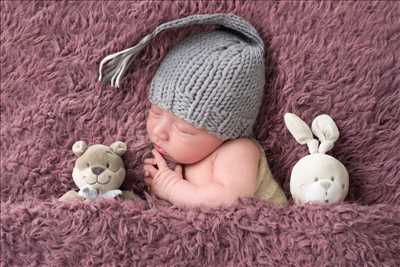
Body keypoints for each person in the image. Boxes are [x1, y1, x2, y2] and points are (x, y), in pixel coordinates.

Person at [98, 13, 288, 208]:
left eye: (183, 129)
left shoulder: (238, 150)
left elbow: (230, 201)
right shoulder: (189, 154)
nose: (159, 131)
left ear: (227, 132)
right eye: (156, 112)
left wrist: (171, 187)